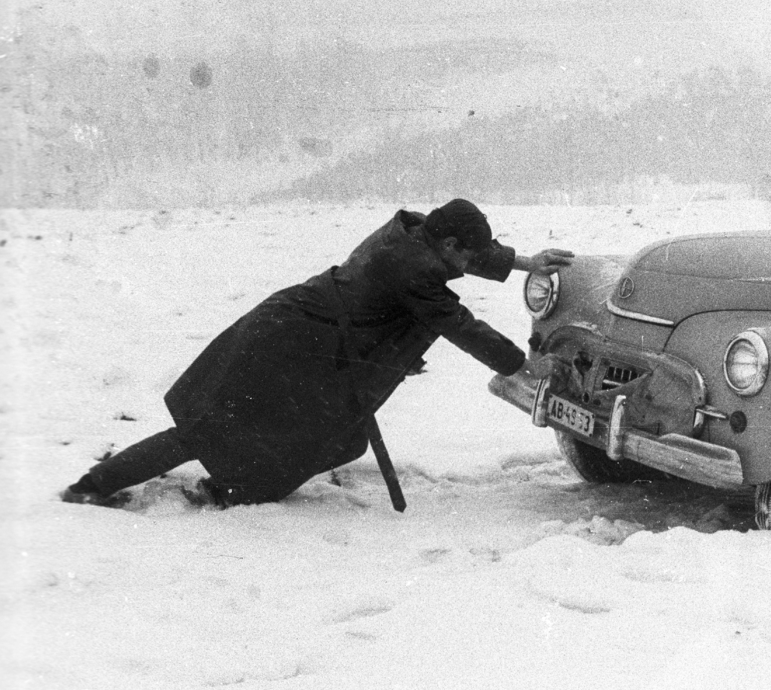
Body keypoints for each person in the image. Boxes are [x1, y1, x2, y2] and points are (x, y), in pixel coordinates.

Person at [60, 199, 572, 509]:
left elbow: (466, 252)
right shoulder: (414, 269)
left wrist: (525, 261)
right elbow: (462, 326)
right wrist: (525, 366)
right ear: (448, 242)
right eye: (465, 254)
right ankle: (94, 486)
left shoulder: (415, 229)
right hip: (286, 345)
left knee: (334, 439)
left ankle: (233, 489)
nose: (467, 264)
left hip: (309, 339)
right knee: (206, 430)